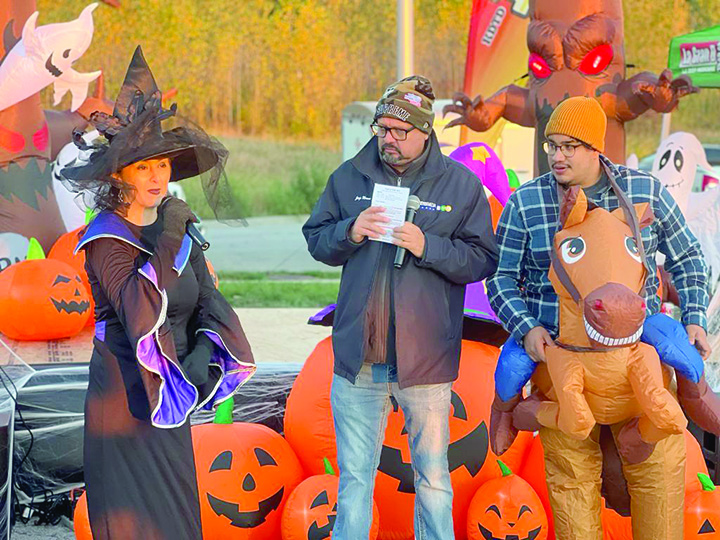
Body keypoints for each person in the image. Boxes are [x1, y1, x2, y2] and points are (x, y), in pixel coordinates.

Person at [487, 96, 713, 540]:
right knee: (571, 482)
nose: (557, 156)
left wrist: (694, 317)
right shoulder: (526, 203)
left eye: (569, 146)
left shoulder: (644, 191)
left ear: (595, 147)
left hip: (638, 361)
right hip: (562, 363)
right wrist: (526, 328)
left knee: (659, 470)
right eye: (552, 145)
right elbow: (500, 277)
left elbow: (688, 256)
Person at [61, 46, 255, 540]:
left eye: (163, 166)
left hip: (171, 394)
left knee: (178, 521)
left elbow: (208, 299)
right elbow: (140, 309)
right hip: (125, 403)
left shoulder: (177, 226)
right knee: (134, 526)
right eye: (144, 167)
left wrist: (203, 353)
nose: (157, 177)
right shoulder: (106, 239)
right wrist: (168, 236)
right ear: (119, 174)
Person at [303, 75, 499, 539]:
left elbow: (483, 259)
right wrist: (349, 231)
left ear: (425, 132)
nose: (387, 138)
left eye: (399, 131)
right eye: (382, 128)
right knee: (354, 479)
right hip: (359, 357)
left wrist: (428, 246)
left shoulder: (460, 186)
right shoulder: (349, 177)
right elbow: (316, 238)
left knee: (433, 480)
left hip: (425, 359)